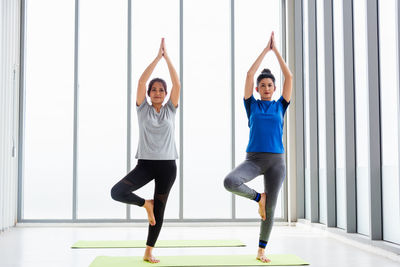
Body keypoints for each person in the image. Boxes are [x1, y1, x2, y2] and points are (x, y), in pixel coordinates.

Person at [224, 31, 292, 263]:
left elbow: (289, 77)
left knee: (271, 210)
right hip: (253, 159)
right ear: (257, 89)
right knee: (230, 182)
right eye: (261, 85)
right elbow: (249, 73)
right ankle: (257, 199)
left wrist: (277, 53)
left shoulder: (280, 106)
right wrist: (265, 50)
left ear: (274, 88)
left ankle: (261, 250)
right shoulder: (250, 105)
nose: (265, 87)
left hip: (276, 162)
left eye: (269, 85)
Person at [111, 38, 180, 263]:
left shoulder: (171, 109)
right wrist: (156, 58)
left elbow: (177, 85)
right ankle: (145, 204)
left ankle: (149, 251)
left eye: (161, 89)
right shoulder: (143, 110)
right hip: (146, 164)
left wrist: (167, 59)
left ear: (166, 93)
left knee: (159, 211)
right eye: (154, 90)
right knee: (117, 192)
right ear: (149, 94)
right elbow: (141, 81)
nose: (158, 92)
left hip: (168, 166)